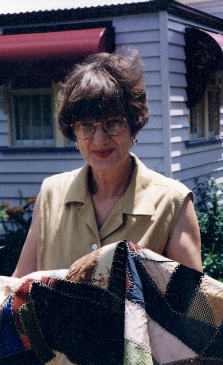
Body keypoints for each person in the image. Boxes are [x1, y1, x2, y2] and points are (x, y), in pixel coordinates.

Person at [12, 50, 202, 278]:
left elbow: (192, 302)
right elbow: (19, 287)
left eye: (113, 122)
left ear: (133, 126)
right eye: (86, 124)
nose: (100, 139)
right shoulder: (52, 193)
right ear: (73, 131)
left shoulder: (173, 202)